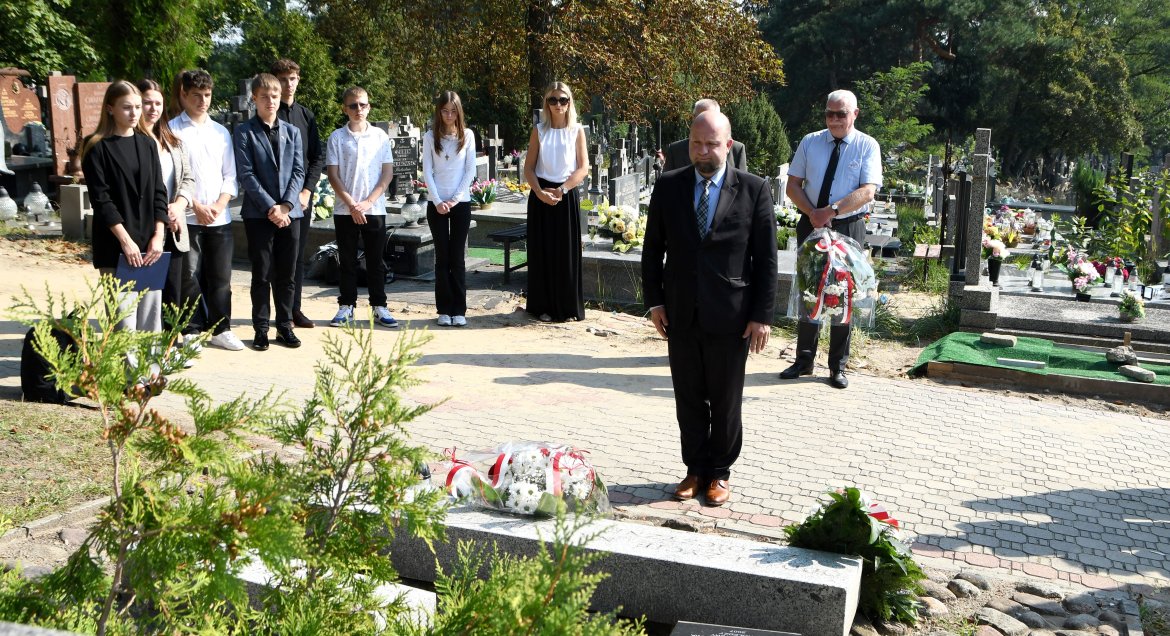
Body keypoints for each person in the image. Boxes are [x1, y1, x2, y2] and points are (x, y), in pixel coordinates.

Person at [641, 110, 777, 507]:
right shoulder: (668, 187)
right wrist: (656, 302)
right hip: (680, 313)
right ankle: (695, 469)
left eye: (712, 144)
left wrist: (761, 316)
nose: (704, 152)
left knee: (726, 399)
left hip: (731, 316)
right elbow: (653, 250)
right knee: (688, 398)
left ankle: (719, 473)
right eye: (697, 144)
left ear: (728, 145)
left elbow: (765, 260)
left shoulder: (753, 189)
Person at [779, 90, 882, 390]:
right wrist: (813, 213)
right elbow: (793, 185)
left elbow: (868, 191)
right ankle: (803, 359)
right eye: (830, 114)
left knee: (843, 296)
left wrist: (832, 210)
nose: (835, 120)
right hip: (811, 224)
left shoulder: (867, 146)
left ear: (855, 114)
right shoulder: (810, 142)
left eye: (841, 114)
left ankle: (837, 365)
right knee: (809, 291)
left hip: (847, 227)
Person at [80, 81, 169, 333]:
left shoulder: (148, 143)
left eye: (138, 107)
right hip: (116, 245)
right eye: (127, 107)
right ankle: (126, 373)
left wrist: (159, 235)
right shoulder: (96, 146)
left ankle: (150, 373)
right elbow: (101, 199)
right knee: (123, 322)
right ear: (110, 109)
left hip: (150, 245)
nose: (135, 113)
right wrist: (126, 241)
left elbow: (159, 191)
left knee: (151, 321)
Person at [170, 69, 242, 351]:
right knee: (188, 276)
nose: (203, 101)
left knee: (221, 277)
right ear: (183, 95)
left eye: (208, 95)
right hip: (188, 216)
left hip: (219, 216)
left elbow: (230, 175)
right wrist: (195, 205)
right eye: (197, 95)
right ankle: (190, 329)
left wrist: (219, 205)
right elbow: (172, 177)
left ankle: (220, 328)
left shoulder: (220, 132)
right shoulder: (173, 130)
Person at [234, 73, 306, 350]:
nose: (270, 101)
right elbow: (246, 174)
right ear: (255, 98)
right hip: (259, 214)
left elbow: (298, 170)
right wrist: (271, 207)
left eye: (275, 96)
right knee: (262, 274)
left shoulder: (293, 132)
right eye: (264, 96)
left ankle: (284, 325)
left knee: (287, 274)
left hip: (291, 214)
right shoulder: (244, 132)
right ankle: (261, 328)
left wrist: (287, 205)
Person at [324, 86, 398, 329]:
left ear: (369, 107)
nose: (359, 110)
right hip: (346, 209)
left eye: (363, 105)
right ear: (345, 108)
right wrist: (352, 204)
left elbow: (387, 173)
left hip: (373, 209)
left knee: (376, 260)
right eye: (353, 105)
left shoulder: (380, 137)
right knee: (347, 260)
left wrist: (367, 202)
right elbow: (333, 175)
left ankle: (379, 306)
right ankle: (347, 305)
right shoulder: (337, 137)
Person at [522, 81, 589, 322]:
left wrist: (563, 189)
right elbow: (528, 168)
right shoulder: (539, 130)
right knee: (543, 253)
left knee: (566, 253)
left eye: (563, 100)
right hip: (541, 196)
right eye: (553, 100)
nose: (558, 105)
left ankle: (567, 308)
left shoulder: (577, 130)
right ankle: (544, 306)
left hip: (565, 195)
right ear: (547, 103)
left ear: (569, 102)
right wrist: (539, 192)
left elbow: (583, 167)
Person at [137, 79, 195, 333]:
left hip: (174, 228)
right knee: (146, 294)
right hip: (144, 229)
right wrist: (162, 213)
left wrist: (180, 205)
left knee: (173, 290)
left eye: (158, 103)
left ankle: (169, 346)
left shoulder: (173, 140)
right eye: (147, 102)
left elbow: (188, 179)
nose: (153, 108)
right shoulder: (131, 141)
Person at [272, 58, 325, 330]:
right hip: (274, 201)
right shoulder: (269, 115)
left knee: (296, 256)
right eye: (282, 79)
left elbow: (316, 157)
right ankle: (279, 313)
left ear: (298, 80)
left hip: (301, 199)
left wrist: (307, 191)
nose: (288, 84)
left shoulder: (306, 116)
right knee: (277, 258)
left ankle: (295, 309)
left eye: (292, 79)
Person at [422, 91, 476, 327]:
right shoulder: (430, 136)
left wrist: (454, 200)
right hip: (437, 203)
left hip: (460, 203)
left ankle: (459, 309)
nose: (448, 115)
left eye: (453, 111)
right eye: (444, 110)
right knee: (442, 257)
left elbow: (469, 171)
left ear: (459, 112)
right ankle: (444, 308)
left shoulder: (468, 136)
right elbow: (427, 171)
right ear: (439, 111)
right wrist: (437, 200)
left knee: (457, 257)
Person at [661, 99, 747, 173]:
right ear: (693, 119)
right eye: (701, 117)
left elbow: (742, 185)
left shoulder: (736, 149)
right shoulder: (676, 150)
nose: (703, 151)